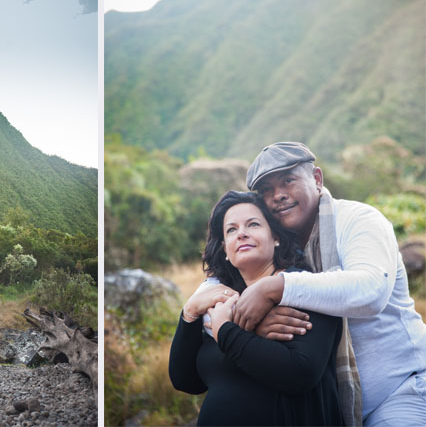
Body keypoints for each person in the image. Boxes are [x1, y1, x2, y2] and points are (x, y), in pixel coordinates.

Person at [201, 142, 426, 426]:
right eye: (267, 190)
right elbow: (213, 289)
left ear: (317, 179)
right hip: (335, 410)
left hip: (401, 391)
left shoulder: (358, 220)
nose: (279, 195)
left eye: (288, 180)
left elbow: (372, 290)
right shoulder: (280, 244)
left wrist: (276, 288)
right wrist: (248, 320)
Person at [169, 191, 344, 426]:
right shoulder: (219, 301)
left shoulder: (304, 288)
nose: (241, 233)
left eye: (253, 224)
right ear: (225, 250)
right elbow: (186, 381)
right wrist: (189, 313)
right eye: (231, 230)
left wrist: (225, 330)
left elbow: (300, 374)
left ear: (276, 238)